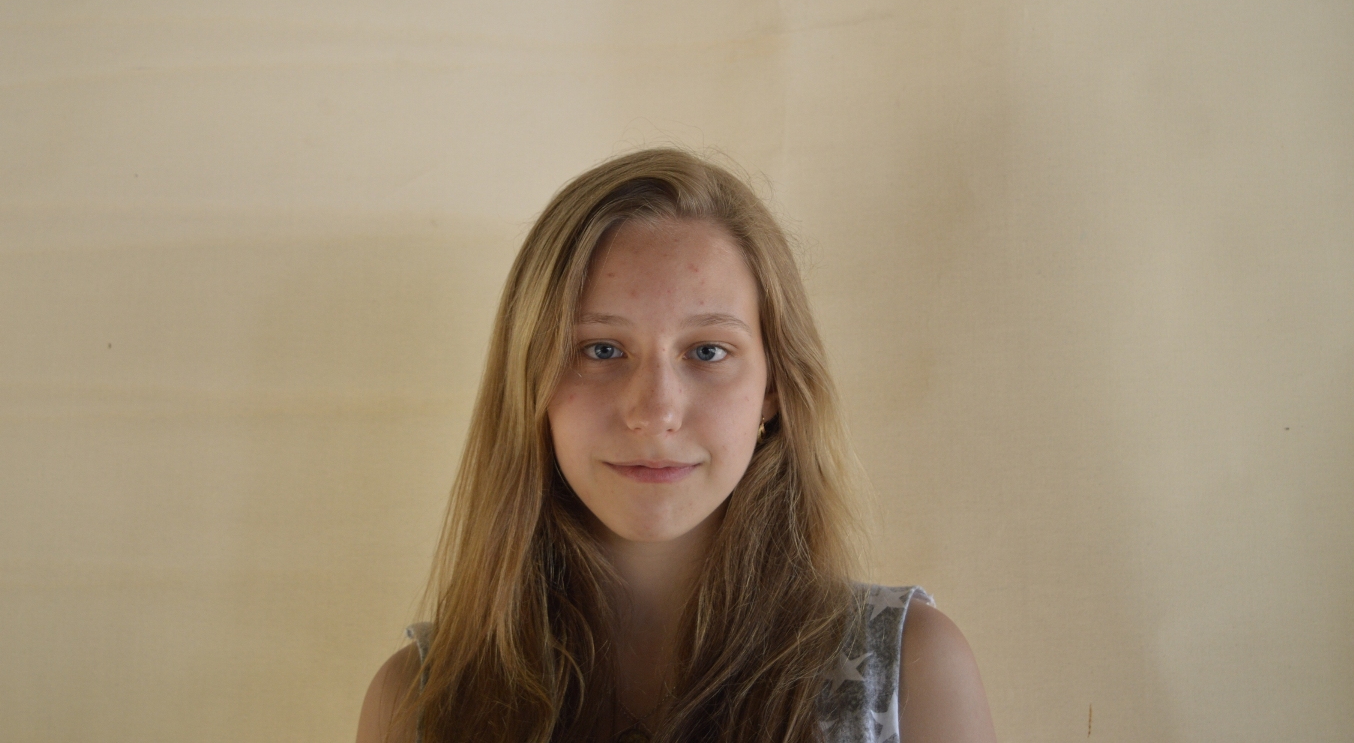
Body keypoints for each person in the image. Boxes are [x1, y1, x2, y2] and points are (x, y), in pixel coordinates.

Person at [355, 148, 996, 743]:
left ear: (774, 386)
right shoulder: (418, 703)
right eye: (601, 350)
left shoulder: (911, 677)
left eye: (708, 351)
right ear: (531, 383)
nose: (655, 412)